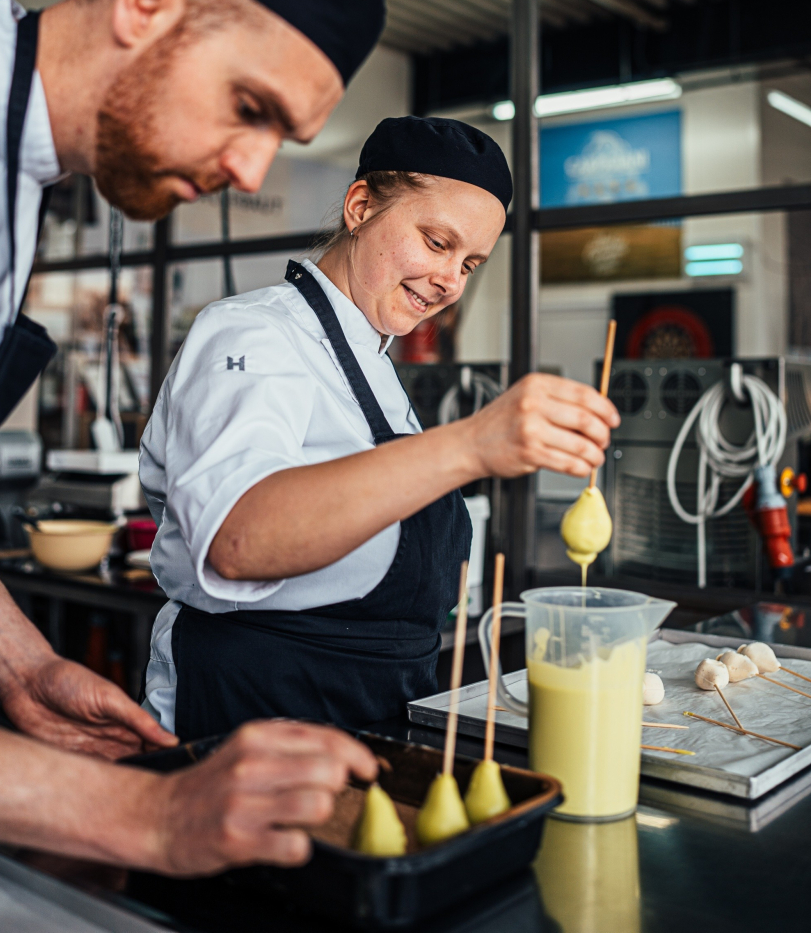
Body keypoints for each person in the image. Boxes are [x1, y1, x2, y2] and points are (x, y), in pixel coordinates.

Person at [0, 0, 384, 868]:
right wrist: (144, 817)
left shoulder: (13, 172)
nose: (253, 172)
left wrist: (22, 666)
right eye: (249, 106)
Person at [140, 116, 620, 742]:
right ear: (360, 207)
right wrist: (472, 444)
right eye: (436, 242)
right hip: (252, 714)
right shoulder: (254, 334)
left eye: (471, 263)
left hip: (374, 712)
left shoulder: (373, 361)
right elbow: (237, 541)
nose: (450, 280)